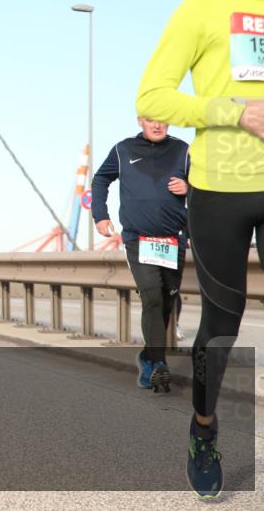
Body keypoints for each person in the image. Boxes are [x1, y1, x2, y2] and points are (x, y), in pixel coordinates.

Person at [135, 0, 264, 499]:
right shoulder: (199, 9)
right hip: (221, 188)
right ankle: (204, 427)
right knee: (222, 323)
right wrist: (233, 110)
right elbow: (153, 98)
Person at [91, 118, 189, 392]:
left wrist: (189, 188)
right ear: (140, 121)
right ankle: (158, 365)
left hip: (173, 241)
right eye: (151, 120)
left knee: (168, 302)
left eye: (162, 121)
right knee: (152, 297)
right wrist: (100, 215)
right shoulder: (124, 150)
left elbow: (208, 188)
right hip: (138, 238)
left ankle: (148, 357)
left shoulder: (183, 150)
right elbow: (100, 180)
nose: (157, 126)